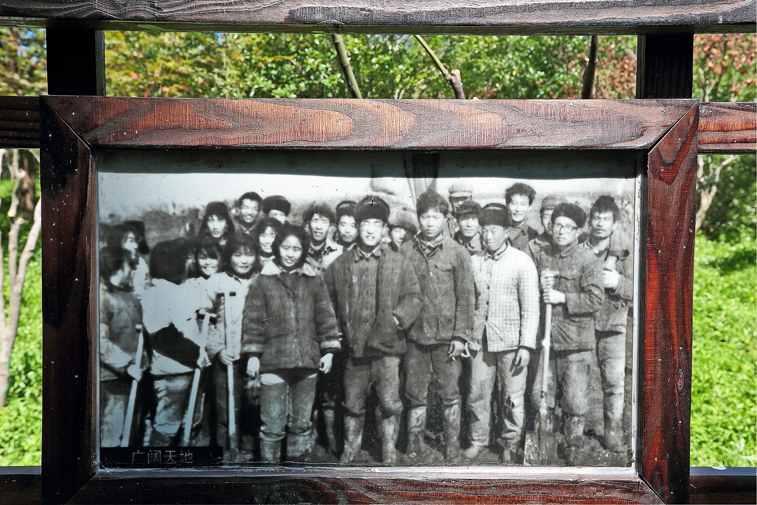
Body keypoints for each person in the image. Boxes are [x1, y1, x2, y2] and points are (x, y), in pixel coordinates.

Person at [324, 196, 422, 464]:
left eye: (376, 224)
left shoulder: (398, 262)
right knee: (353, 403)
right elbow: (326, 302)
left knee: (389, 403)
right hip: (354, 349)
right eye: (365, 224)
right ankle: (350, 448)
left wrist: (397, 320)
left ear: (384, 229)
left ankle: (388, 448)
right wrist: (337, 331)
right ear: (357, 227)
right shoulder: (340, 265)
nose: (370, 230)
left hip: (387, 349)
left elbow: (413, 297)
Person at [241, 224, 341, 463]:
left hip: (307, 362)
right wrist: (254, 354)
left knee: (301, 423)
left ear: (303, 251)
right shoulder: (262, 281)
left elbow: (325, 318)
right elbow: (254, 320)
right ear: (277, 247)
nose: (290, 254)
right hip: (273, 361)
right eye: (286, 247)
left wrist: (328, 351)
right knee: (272, 424)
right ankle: (269, 474)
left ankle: (296, 473)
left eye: (296, 249)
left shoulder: (314, 281)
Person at [400, 191, 475, 462]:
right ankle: (414, 444)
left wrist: (460, 336)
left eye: (435, 217)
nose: (430, 223)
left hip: (447, 339)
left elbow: (466, 298)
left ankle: (452, 445)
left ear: (445, 218)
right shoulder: (405, 251)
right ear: (418, 218)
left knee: (449, 392)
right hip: (414, 337)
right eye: (425, 217)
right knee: (414, 393)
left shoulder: (458, 253)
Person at [463, 205, 540, 463]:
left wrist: (526, 346)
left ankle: (510, 442)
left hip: (511, 344)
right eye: (484, 231)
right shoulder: (474, 262)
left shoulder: (521, 262)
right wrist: (468, 336)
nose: (487, 236)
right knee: (477, 394)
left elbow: (531, 308)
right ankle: (478, 440)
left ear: (506, 232)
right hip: (480, 342)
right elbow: (468, 303)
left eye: (494, 231)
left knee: (512, 397)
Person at [530, 203, 604, 465]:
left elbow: (595, 299)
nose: (561, 231)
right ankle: (544, 445)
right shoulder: (542, 256)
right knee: (543, 397)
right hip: (547, 341)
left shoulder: (588, 260)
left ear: (578, 231)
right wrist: (540, 285)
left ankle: (573, 446)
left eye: (568, 227)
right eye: (557, 225)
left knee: (574, 401)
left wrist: (563, 297)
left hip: (575, 344)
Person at [142, 239, 210, 446]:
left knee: (190, 423)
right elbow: (162, 334)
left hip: (190, 369)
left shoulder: (178, 290)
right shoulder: (155, 293)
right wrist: (195, 353)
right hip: (172, 373)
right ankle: (158, 462)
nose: (189, 265)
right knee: (167, 425)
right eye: (185, 261)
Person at [201, 233, 260, 458]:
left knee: (253, 406)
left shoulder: (261, 279)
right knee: (225, 408)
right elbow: (203, 319)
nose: (244, 260)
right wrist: (216, 348)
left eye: (249, 254)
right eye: (238, 255)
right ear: (229, 256)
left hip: (254, 357)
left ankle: (248, 452)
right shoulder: (217, 281)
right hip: (226, 357)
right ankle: (225, 452)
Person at [583, 196, 633, 453]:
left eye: (606, 219)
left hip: (613, 326)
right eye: (596, 218)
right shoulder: (579, 248)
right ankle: (578, 434)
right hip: (582, 324)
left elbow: (640, 290)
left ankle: (612, 434)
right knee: (580, 379)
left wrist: (618, 282)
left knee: (614, 383)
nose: (600, 223)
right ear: (590, 221)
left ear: (615, 223)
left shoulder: (625, 254)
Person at [99, 246, 144, 447]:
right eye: (128, 265)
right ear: (117, 267)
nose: (132, 269)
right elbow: (100, 341)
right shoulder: (101, 297)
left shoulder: (127, 295)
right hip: (112, 378)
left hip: (134, 374)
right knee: (113, 435)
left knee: (131, 432)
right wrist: (126, 364)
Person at [106, 223, 150, 299]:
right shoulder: (106, 264)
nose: (136, 246)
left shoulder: (140, 263)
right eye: (131, 241)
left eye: (136, 241)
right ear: (118, 242)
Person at [303, 202, 341, 274]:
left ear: (330, 227)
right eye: (315, 220)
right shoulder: (299, 250)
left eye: (324, 221)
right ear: (308, 225)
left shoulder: (339, 252)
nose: (319, 227)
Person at [527, 195, 566, 260]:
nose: (550, 222)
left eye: (555, 216)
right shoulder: (532, 247)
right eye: (546, 217)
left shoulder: (575, 246)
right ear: (541, 220)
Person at [505, 183, 539, 252]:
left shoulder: (533, 235)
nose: (518, 209)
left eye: (523, 204)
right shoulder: (499, 229)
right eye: (514, 203)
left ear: (529, 207)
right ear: (507, 205)